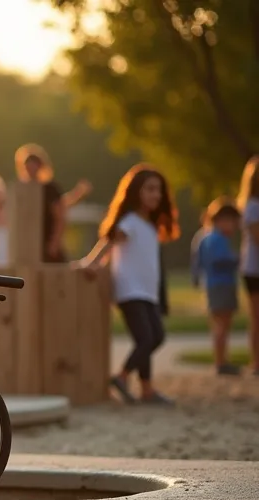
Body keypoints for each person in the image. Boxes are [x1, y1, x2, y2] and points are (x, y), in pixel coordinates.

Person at [74, 163, 180, 405]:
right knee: (147, 338)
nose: (156, 195)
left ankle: (146, 389)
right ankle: (121, 377)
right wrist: (90, 263)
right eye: (150, 189)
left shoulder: (150, 225)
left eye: (158, 190)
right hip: (130, 290)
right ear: (135, 192)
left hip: (148, 291)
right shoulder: (129, 221)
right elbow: (109, 243)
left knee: (155, 336)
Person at [14, 144, 92, 263]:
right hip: (28, 245)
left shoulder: (50, 189)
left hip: (47, 244)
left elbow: (60, 217)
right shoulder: (21, 190)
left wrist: (54, 243)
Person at [190, 198, 242, 375]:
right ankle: (221, 362)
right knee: (223, 325)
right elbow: (219, 260)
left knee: (219, 324)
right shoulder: (216, 239)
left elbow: (196, 262)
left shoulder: (203, 237)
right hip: (222, 285)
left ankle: (221, 359)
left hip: (212, 285)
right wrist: (237, 259)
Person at [238, 156, 259, 375]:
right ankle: (256, 362)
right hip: (254, 269)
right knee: (256, 317)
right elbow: (257, 236)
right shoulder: (252, 206)